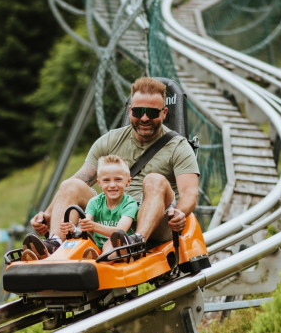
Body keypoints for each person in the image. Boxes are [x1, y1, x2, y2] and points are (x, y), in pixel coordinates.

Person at [24, 76, 199, 258]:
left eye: (152, 113)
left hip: (154, 222)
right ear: (130, 111)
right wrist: (47, 213)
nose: (145, 118)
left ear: (164, 113)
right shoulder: (110, 140)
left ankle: (135, 242)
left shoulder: (178, 146)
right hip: (113, 216)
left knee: (154, 179)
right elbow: (79, 180)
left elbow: (190, 193)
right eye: (139, 112)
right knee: (70, 184)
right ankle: (54, 244)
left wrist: (180, 213)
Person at [48, 154, 138, 257]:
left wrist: (94, 226)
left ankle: (100, 261)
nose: (112, 185)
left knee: (111, 243)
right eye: (106, 180)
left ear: (128, 182)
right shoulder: (95, 202)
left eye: (118, 179)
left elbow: (119, 231)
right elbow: (85, 226)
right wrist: (73, 229)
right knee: (77, 242)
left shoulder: (130, 204)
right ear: (99, 183)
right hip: (96, 246)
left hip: (120, 244)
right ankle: (49, 255)